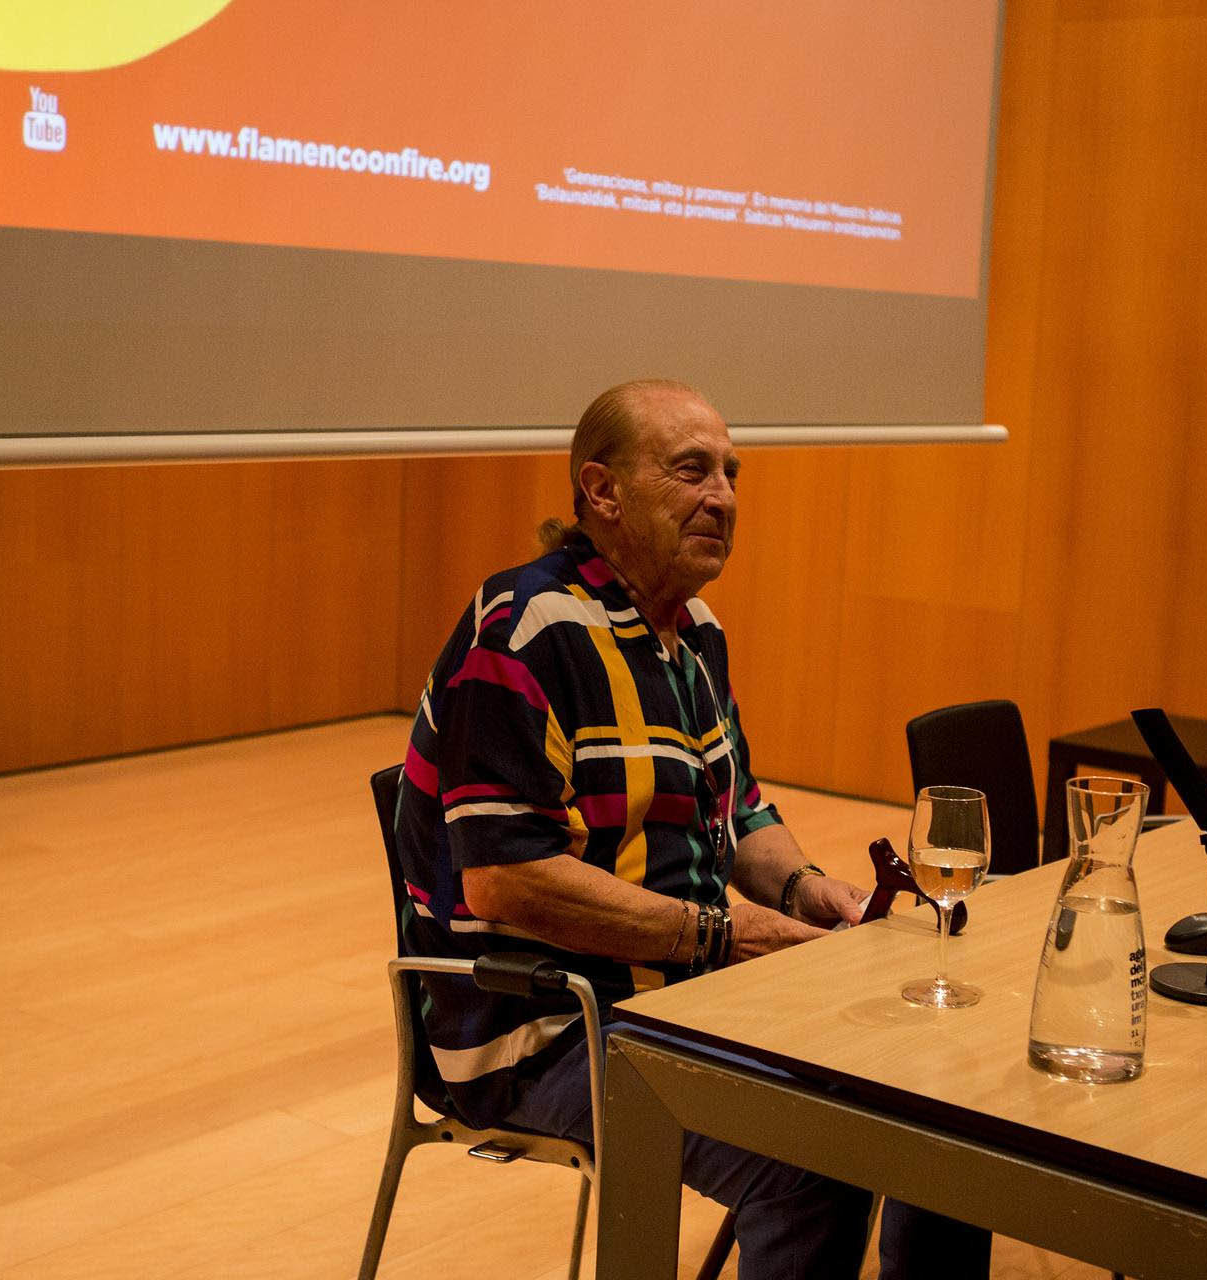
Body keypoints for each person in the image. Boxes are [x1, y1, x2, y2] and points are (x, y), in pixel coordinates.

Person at [394, 379, 990, 1277]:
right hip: (541, 1024)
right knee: (809, 1164)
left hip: (679, 994)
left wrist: (809, 891)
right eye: (691, 470)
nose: (724, 497)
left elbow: (738, 810)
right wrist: (722, 937)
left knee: (935, 1082)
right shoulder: (522, 631)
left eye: (732, 474)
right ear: (602, 493)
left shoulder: (693, 633)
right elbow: (505, 878)